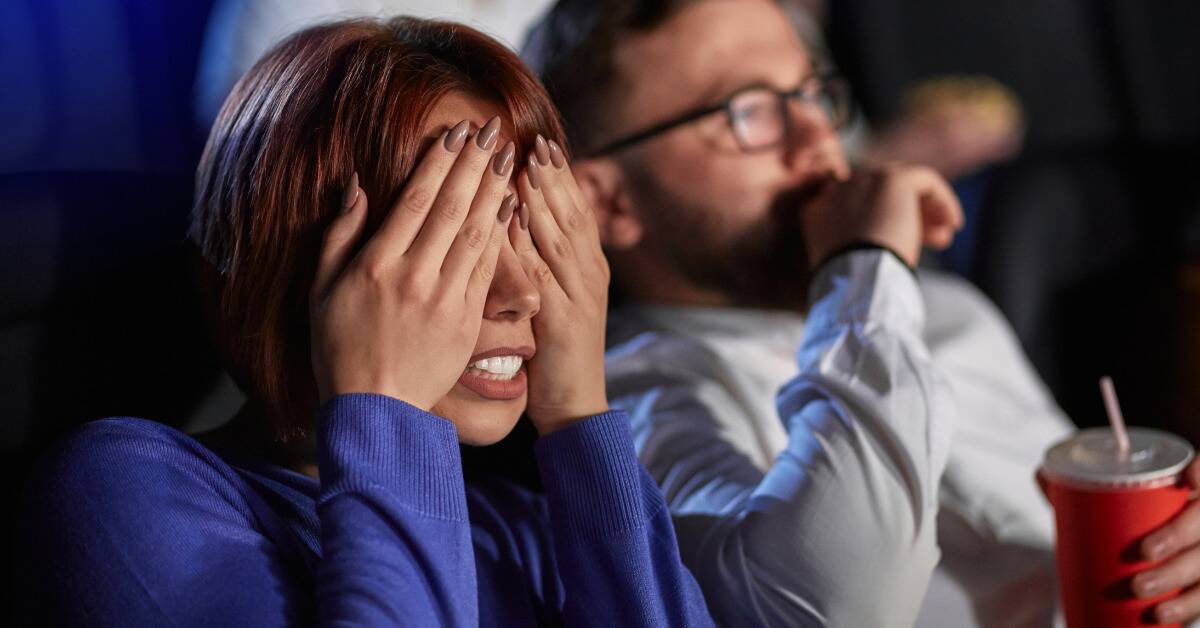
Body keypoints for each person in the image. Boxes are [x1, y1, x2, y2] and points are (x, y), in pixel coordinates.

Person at [522, 0, 1200, 626]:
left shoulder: (943, 313)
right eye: (749, 110)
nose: (820, 137)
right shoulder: (630, 409)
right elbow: (837, 604)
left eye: (811, 92)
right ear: (607, 203)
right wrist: (866, 263)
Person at [19, 17, 713, 627]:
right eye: (449, 239)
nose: (521, 294)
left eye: (528, 231)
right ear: (289, 257)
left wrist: (580, 417)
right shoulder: (126, 487)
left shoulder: (523, 534)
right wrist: (382, 401)